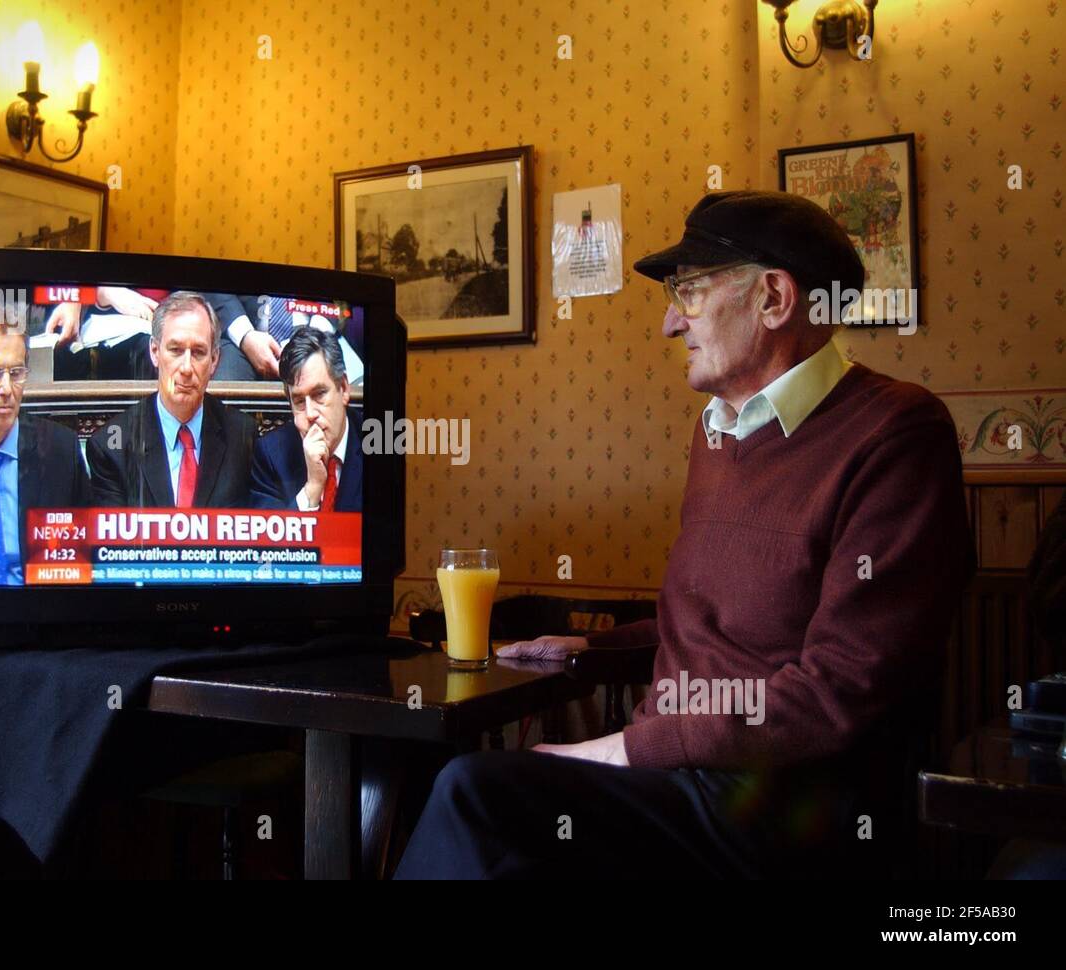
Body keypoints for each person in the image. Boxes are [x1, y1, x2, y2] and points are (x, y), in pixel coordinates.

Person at [393, 190, 976, 879]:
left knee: (477, 797)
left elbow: (842, 689)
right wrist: (595, 646)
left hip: (785, 804)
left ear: (773, 299)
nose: (671, 322)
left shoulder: (897, 434)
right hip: (684, 783)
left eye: (689, 292)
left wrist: (626, 749)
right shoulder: (718, 432)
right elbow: (725, 632)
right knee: (475, 808)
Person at [85, 290, 254, 508]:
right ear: (155, 352)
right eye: (175, 350)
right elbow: (113, 541)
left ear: (214, 360)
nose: (186, 368)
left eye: (198, 352)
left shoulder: (242, 436)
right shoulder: (111, 446)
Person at [0, 316, 89, 586]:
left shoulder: (61, 450)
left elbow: (81, 564)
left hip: (40, 616)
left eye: (16, 373)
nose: (6, 389)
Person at [250, 327, 362, 512]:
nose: (310, 414)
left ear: (343, 388)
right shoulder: (270, 456)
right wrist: (312, 489)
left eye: (319, 395)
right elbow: (268, 539)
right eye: (299, 401)